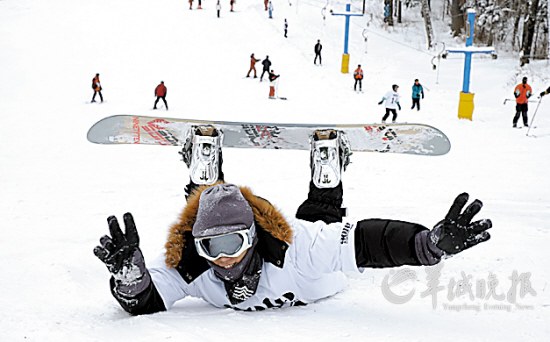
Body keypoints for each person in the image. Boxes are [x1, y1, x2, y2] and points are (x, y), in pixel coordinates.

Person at [94, 124, 493, 314]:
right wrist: (131, 281)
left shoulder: (299, 248)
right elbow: (147, 299)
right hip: (236, 222)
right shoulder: (194, 267)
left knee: (320, 216)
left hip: (318, 269)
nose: (224, 258)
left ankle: (328, 170)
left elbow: (368, 241)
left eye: (232, 245)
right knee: (207, 211)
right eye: (210, 247)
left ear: (251, 239)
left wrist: (426, 245)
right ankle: (204, 175)